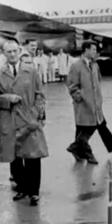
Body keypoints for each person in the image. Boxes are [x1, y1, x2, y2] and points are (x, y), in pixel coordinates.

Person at [0, 39, 48, 206]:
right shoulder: (0, 73)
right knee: (15, 157)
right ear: (3, 54)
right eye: (8, 52)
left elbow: (40, 95)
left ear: (19, 51)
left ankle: (34, 192)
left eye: (14, 51)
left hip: (29, 119)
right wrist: (7, 98)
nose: (12, 55)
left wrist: (35, 115)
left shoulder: (31, 71)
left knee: (33, 157)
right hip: (10, 120)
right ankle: (22, 188)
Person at [66, 40, 112, 165]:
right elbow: (72, 85)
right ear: (86, 50)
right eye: (93, 49)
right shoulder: (76, 66)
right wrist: (79, 97)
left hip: (95, 104)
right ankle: (83, 151)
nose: (95, 52)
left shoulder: (95, 65)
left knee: (92, 127)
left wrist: (98, 99)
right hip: (83, 105)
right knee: (88, 129)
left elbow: (98, 81)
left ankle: (78, 149)